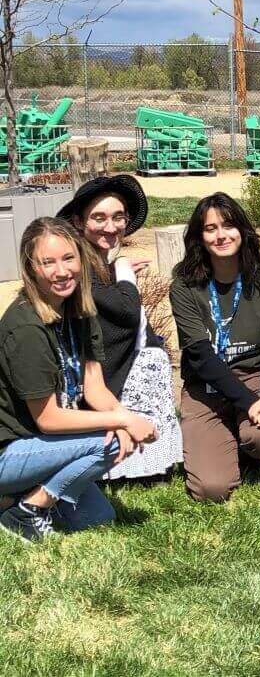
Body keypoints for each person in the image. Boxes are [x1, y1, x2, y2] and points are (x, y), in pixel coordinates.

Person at [0, 218, 157, 542]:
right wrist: (121, 421)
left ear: (80, 258)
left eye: (68, 258)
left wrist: (120, 419)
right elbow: (48, 419)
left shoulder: (80, 313)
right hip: (9, 451)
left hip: (41, 449)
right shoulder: (27, 328)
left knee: (97, 518)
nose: (61, 271)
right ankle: (29, 508)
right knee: (110, 441)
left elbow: (95, 387)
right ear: (32, 269)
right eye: (48, 262)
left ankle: (14, 498)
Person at [58, 174, 183, 481]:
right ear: (79, 222)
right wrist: (125, 274)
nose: (110, 226)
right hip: (86, 377)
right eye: (98, 218)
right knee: (151, 358)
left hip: (100, 369)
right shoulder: (79, 267)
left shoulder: (98, 262)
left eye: (118, 217)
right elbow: (125, 312)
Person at [170, 193, 260, 503]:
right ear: (199, 237)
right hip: (206, 388)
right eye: (210, 228)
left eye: (228, 225)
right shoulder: (184, 287)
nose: (221, 235)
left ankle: (254, 451)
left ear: (243, 230)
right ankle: (227, 438)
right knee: (211, 490)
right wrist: (249, 404)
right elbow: (200, 356)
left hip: (253, 376)